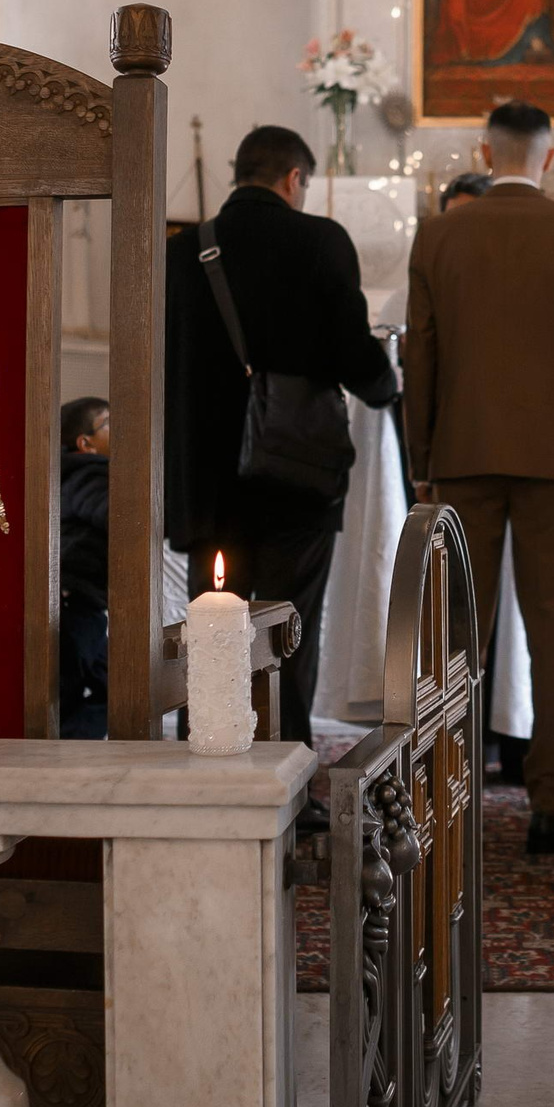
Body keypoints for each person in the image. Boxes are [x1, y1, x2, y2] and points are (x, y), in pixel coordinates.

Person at [406, 101, 554, 853]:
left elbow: (420, 359)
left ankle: (447, 798)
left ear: (484, 152)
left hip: (462, 457)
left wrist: (422, 462)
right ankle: (549, 807)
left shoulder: (439, 235)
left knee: (460, 635)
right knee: (552, 634)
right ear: (550, 159)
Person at [167, 126, 398, 743]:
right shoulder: (321, 240)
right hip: (297, 475)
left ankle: (206, 764)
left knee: (212, 631)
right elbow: (358, 356)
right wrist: (387, 385)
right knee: (287, 631)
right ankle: (285, 778)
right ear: (294, 179)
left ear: (238, 172)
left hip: (207, 480)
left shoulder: (183, 251)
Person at [59, 397, 112, 740]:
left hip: (81, 603)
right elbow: (114, 515)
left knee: (123, 692)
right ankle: (62, 754)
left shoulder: (73, 473)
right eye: (110, 424)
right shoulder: (90, 473)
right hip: (76, 604)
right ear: (85, 443)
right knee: (69, 701)